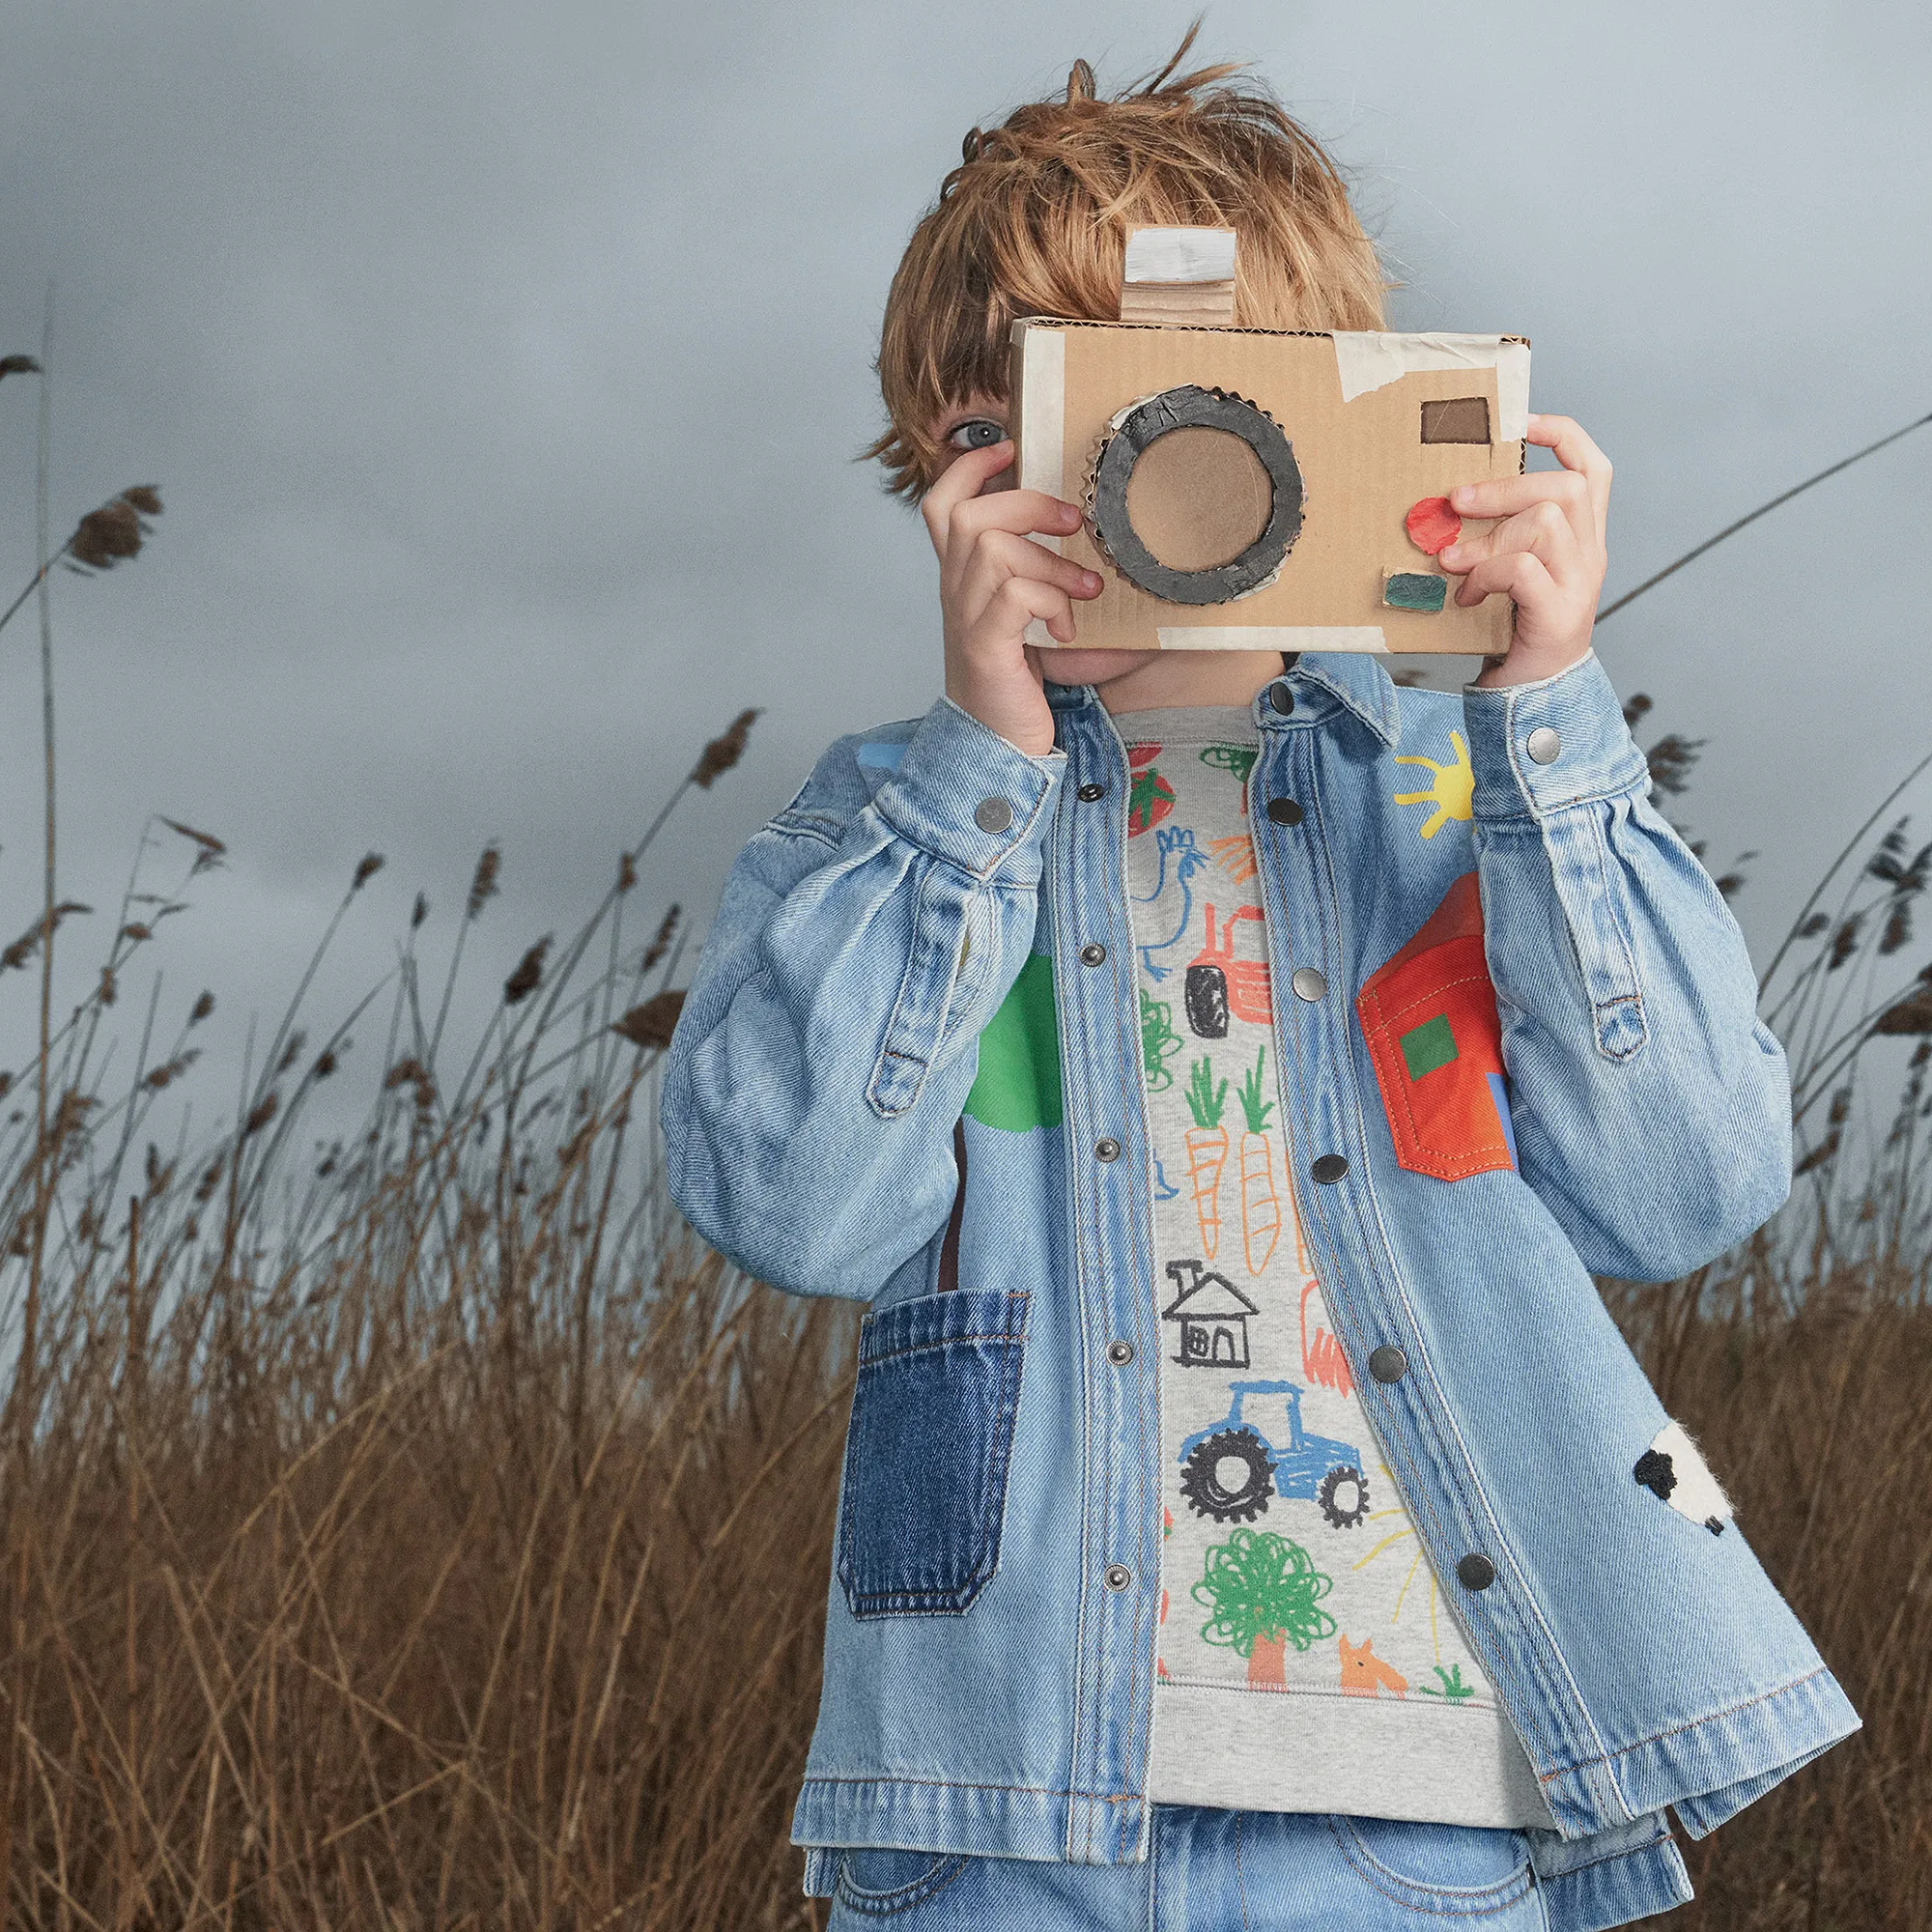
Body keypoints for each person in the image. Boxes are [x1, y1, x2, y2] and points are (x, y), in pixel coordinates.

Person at [661, 29, 1858, 1932]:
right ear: (940, 469)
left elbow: (1687, 1187)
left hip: (1421, 1792)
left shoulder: (1473, 795)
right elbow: (797, 1212)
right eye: (1025, 438)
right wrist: (979, 767)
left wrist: (1544, 704)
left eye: (1160, 422)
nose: (1121, 498)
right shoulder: (886, 819)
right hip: (1005, 1794)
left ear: (1303, 427)